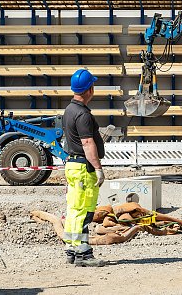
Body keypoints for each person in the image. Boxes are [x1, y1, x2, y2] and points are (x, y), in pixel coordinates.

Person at [62, 69, 107, 267]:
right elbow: (88, 143)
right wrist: (98, 167)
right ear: (90, 89)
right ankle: (83, 254)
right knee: (84, 210)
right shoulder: (83, 114)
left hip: (72, 165)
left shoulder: (69, 110)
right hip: (83, 167)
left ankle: (71, 249)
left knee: (73, 209)